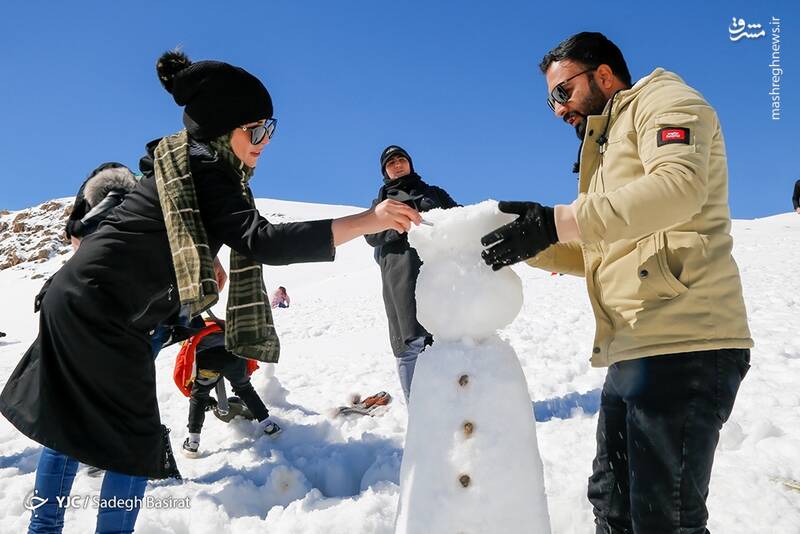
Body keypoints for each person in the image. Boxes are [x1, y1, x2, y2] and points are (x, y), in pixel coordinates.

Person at [1, 50, 420, 533]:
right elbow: (261, 240)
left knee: (68, 426)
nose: (264, 140)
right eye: (255, 129)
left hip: (75, 300)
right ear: (224, 129)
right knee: (132, 445)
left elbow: (153, 229)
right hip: (106, 314)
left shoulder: (180, 162)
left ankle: (43, 528)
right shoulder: (208, 171)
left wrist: (205, 258)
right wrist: (369, 219)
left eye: (268, 128)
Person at [481, 32, 753, 534]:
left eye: (563, 92)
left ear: (603, 75)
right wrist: (526, 244)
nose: (558, 109)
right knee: (613, 506)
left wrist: (557, 219)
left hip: (686, 343)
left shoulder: (665, 100)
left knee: (663, 520)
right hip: (634, 347)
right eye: (550, 100)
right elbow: (598, 248)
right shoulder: (605, 149)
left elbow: (679, 187)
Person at [364, 145, 458, 402]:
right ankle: (418, 415)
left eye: (401, 159)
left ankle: (452, 406)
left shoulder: (433, 193)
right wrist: (403, 225)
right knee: (410, 344)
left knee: (444, 339)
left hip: (438, 273)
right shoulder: (381, 203)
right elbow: (371, 235)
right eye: (391, 162)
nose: (397, 164)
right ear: (385, 171)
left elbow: (460, 218)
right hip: (401, 274)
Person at [178, 319, 279, 457]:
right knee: (244, 389)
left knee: (199, 396)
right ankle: (269, 425)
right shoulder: (222, 324)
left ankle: (193, 443)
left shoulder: (191, 333)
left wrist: (193, 391)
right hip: (235, 357)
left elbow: (183, 366)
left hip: (209, 361)